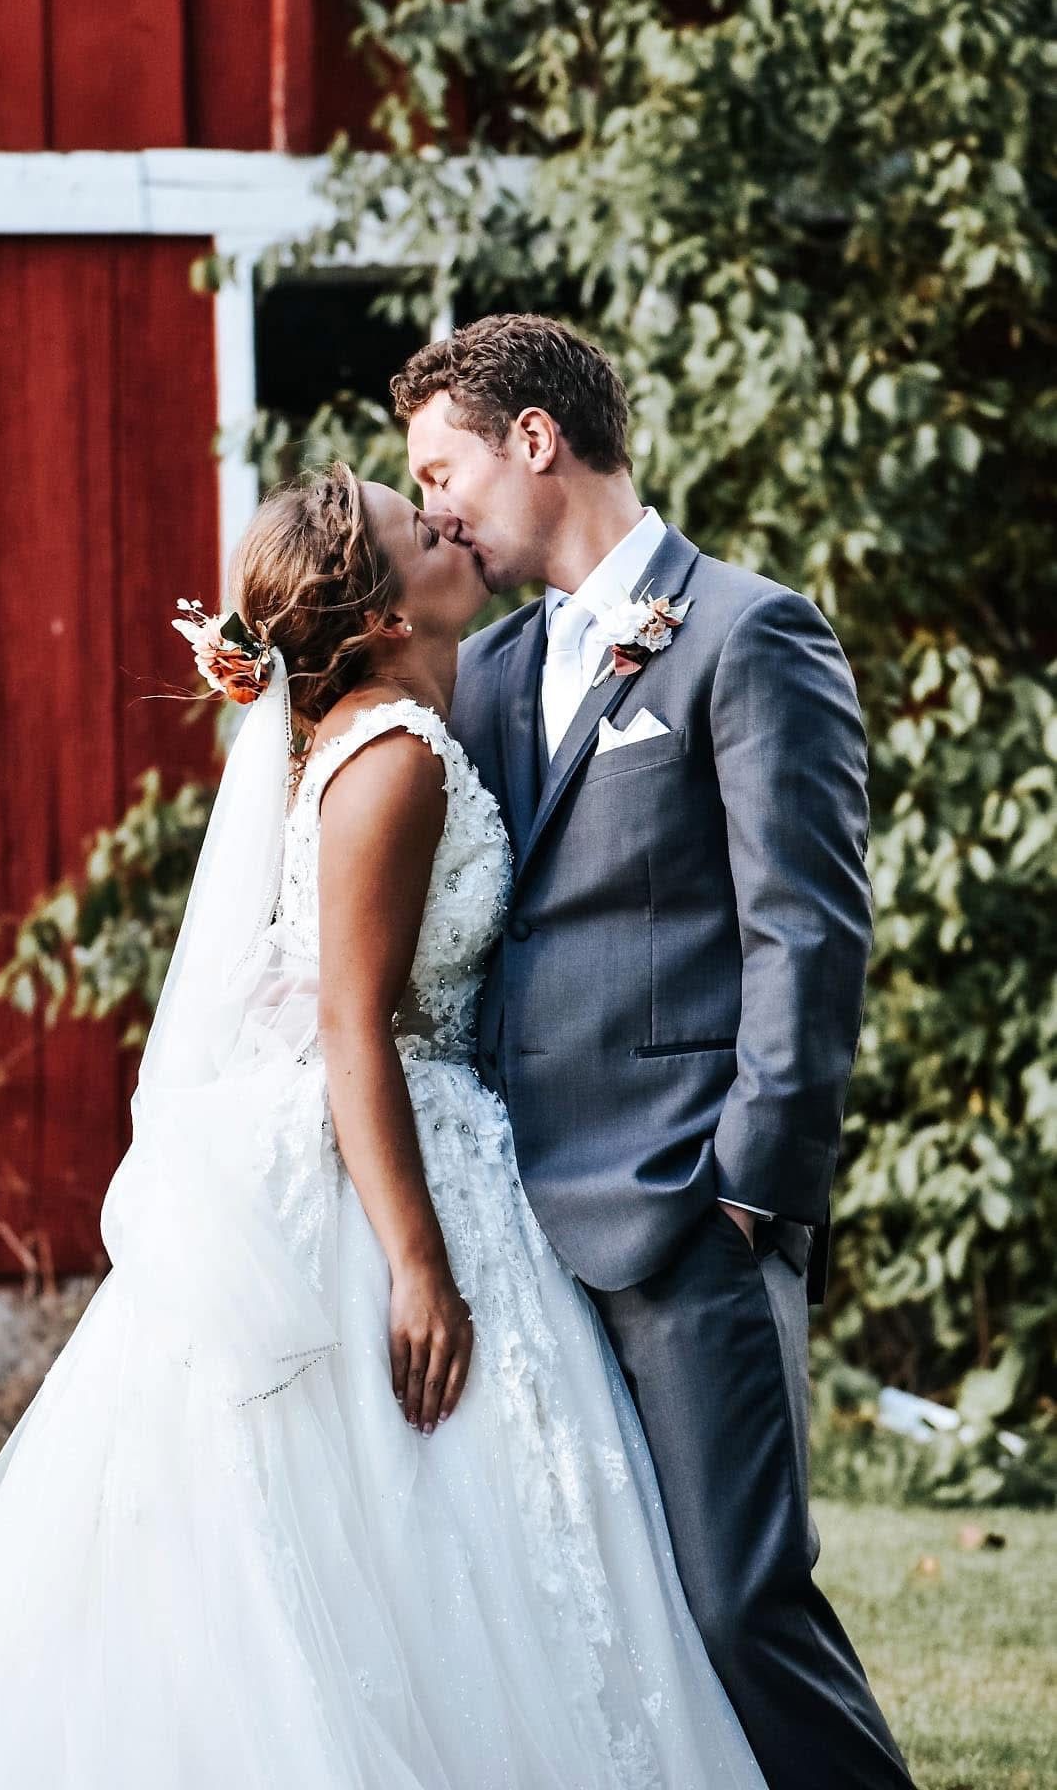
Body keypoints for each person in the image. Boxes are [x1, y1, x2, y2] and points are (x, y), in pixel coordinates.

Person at [0, 460, 770, 1790]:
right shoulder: (391, 762)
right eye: (413, 525)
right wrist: (421, 1268)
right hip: (384, 1169)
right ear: (380, 619)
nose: (447, 522)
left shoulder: (388, 722)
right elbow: (349, 1029)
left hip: (429, 1138)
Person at [397, 311, 914, 1790]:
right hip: (512, 1221)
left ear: (535, 441)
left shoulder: (752, 636)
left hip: (684, 1212)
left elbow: (804, 934)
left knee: (738, 1601)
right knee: (588, 1617)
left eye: (442, 469)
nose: (430, 505)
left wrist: (752, 1188)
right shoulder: (485, 674)